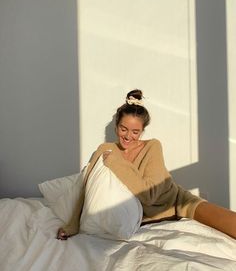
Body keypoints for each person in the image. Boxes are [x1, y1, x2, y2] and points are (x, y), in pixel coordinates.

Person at [57, 89, 236, 240]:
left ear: (142, 131)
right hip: (142, 217)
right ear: (116, 127)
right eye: (123, 129)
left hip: (176, 202)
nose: (128, 136)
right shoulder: (105, 149)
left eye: (135, 132)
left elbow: (149, 195)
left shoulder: (151, 146)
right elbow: (86, 188)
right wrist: (73, 224)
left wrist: (115, 161)